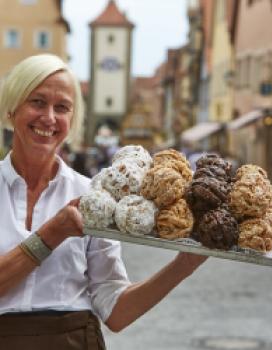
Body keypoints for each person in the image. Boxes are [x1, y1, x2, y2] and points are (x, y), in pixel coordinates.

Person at [0, 54, 206, 349]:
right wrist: (50, 234)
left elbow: (116, 312)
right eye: (37, 102)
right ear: (11, 110)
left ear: (71, 122)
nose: (49, 117)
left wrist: (183, 265)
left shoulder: (94, 196)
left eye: (62, 108)